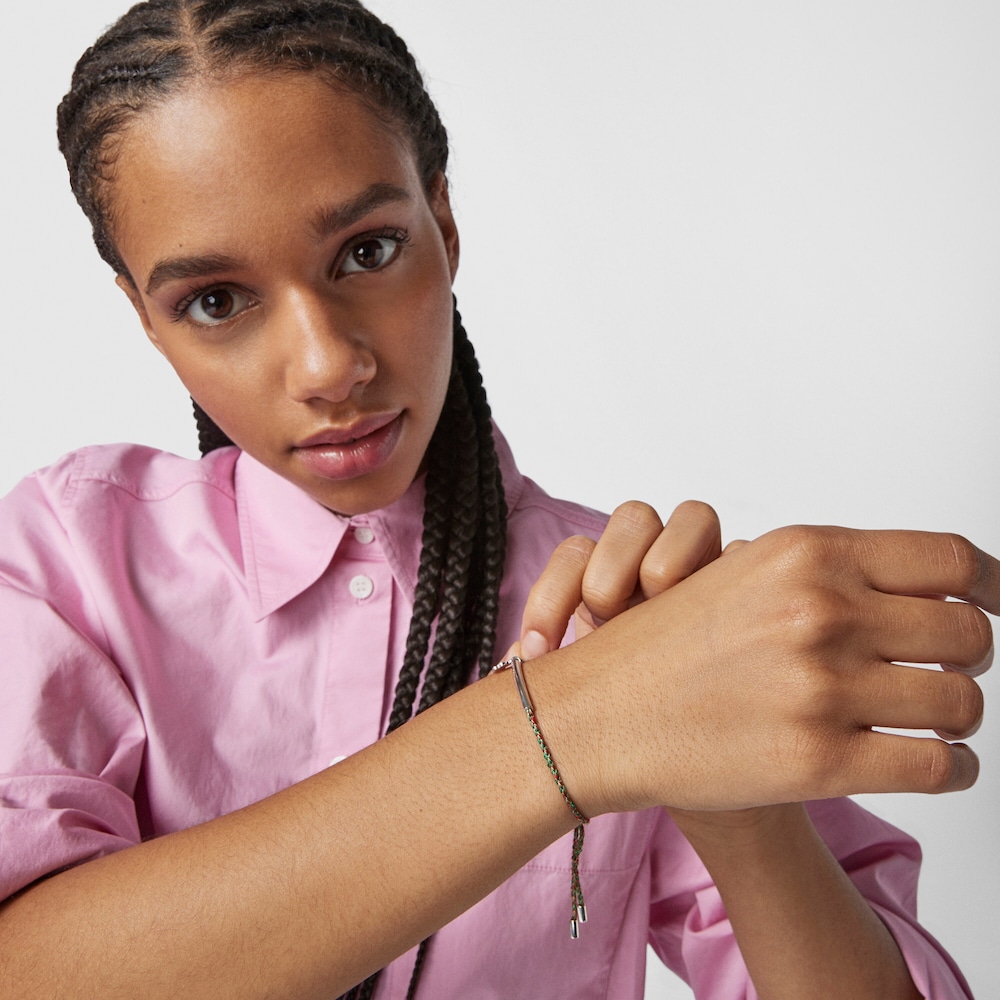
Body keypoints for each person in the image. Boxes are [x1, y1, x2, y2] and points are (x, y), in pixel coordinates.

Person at [0, 2, 996, 998]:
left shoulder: (645, 617)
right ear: (144, 314)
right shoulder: (66, 563)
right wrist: (576, 723)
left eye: (367, 250)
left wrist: (735, 795)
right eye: (215, 300)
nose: (326, 363)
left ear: (443, 218)